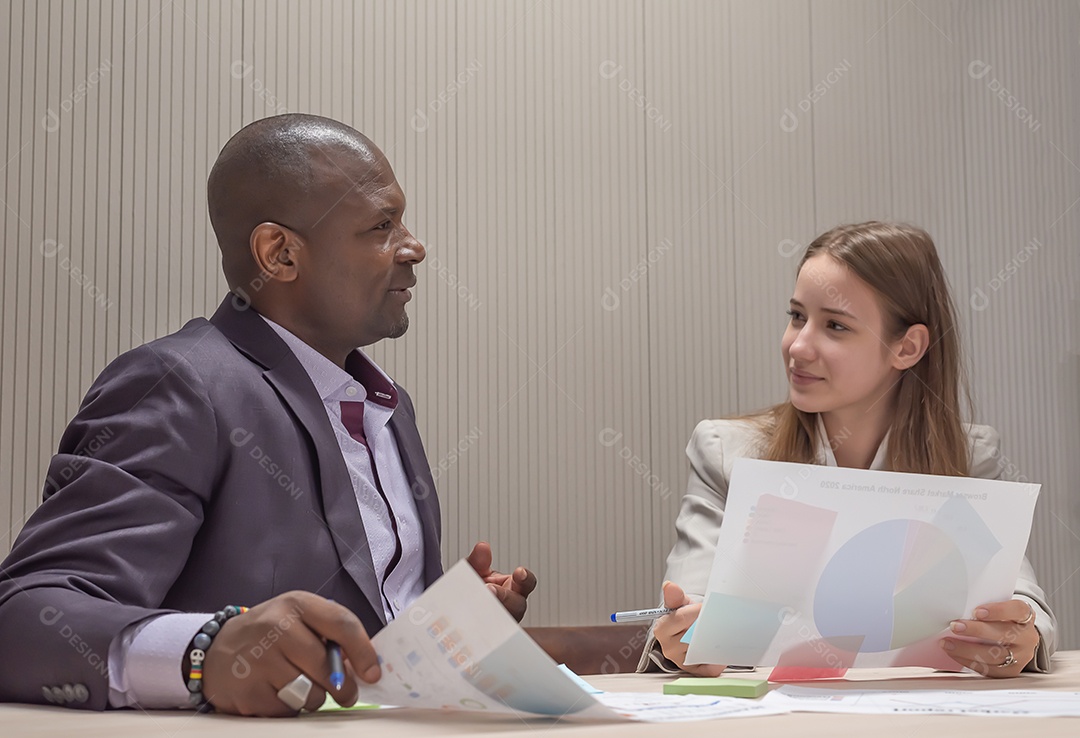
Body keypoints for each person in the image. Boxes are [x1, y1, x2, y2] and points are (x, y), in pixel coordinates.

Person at [0, 114, 536, 716]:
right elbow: (24, 617)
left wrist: (448, 627)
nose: (414, 246)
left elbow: (360, 643)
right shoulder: (179, 385)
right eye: (382, 225)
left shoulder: (388, 405)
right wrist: (205, 651)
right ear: (279, 254)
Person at [638, 221, 1056, 678]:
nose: (797, 345)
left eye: (834, 325)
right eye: (797, 316)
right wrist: (684, 636)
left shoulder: (970, 456)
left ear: (908, 346)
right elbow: (684, 610)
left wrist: (1020, 636)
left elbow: (1023, 603)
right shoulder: (728, 452)